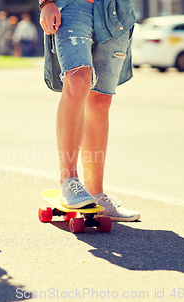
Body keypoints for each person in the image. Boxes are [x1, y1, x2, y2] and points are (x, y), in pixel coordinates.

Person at [39, 0, 140, 221]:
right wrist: (46, 2)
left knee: (101, 100)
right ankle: (69, 181)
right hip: (73, 5)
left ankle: (96, 192)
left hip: (116, 9)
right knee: (77, 80)